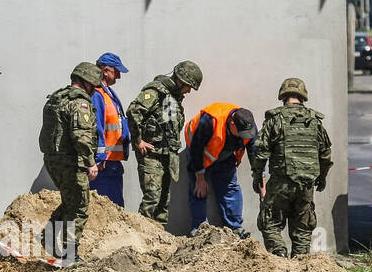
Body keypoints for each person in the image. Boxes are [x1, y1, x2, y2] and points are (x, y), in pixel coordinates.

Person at [251, 77, 332, 258]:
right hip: (306, 184)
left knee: (269, 223)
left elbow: (261, 152)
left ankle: (279, 256)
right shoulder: (314, 120)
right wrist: (322, 177)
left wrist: (257, 176)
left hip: (281, 182)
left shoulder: (275, 119)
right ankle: (301, 263)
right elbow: (325, 154)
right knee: (302, 228)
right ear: (303, 96)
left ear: (282, 96)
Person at [127, 60, 203, 225]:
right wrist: (138, 141)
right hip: (152, 155)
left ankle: (158, 239)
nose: (189, 91)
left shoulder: (174, 97)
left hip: (167, 155)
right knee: (152, 199)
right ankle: (142, 238)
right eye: (188, 86)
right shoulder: (156, 91)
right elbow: (133, 112)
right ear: (180, 80)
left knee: (163, 201)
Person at [38, 62, 100, 262]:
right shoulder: (79, 103)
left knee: (69, 201)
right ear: (87, 83)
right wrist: (91, 162)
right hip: (71, 162)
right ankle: (69, 254)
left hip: (53, 160)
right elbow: (81, 136)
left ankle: (48, 235)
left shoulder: (57, 98)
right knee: (79, 206)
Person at [184, 103, 258, 236]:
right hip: (199, 153)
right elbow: (196, 149)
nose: (244, 136)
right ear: (232, 124)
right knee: (199, 190)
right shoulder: (210, 121)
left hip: (225, 154)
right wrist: (200, 178)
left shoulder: (248, 125)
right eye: (241, 134)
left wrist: (260, 176)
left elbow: (254, 151)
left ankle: (235, 229)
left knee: (230, 188)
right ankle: (199, 230)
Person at [89, 52, 131, 206]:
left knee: (116, 207)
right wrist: (99, 160)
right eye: (116, 71)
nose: (119, 76)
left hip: (112, 162)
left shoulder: (108, 94)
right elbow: (97, 128)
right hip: (104, 165)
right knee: (107, 208)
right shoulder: (97, 95)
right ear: (105, 70)